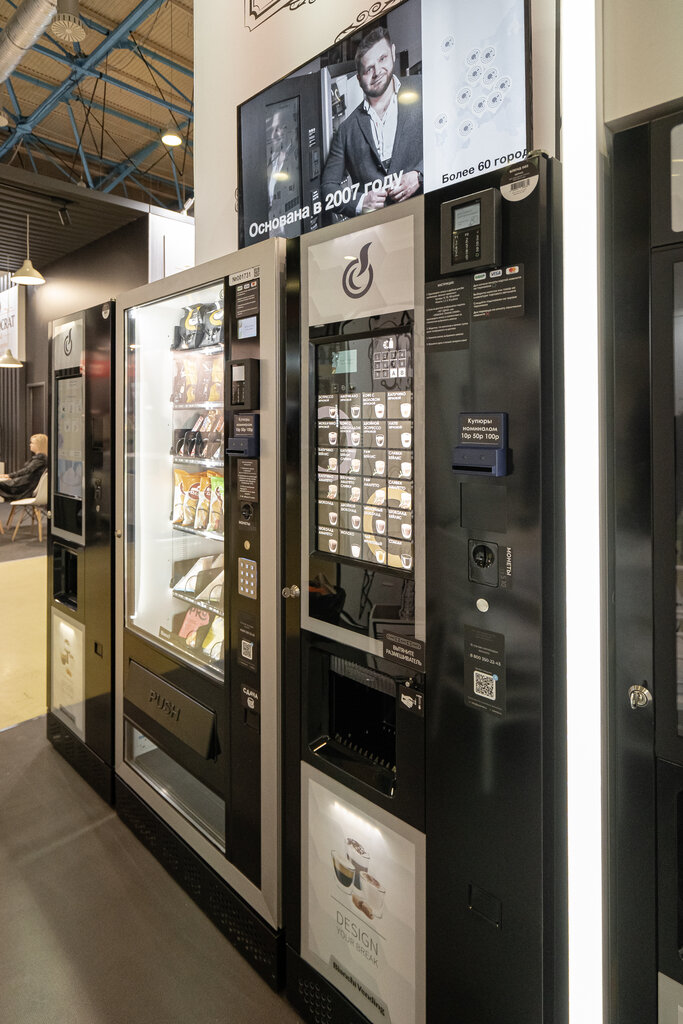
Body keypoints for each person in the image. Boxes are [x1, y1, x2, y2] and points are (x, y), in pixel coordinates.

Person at [321, 26, 423, 221]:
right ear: (359, 79)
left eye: (382, 59)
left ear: (393, 53)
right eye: (369, 69)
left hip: (428, 216)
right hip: (378, 235)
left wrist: (419, 175)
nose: (377, 72)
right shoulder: (346, 130)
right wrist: (361, 202)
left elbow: (448, 141)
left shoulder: (423, 89)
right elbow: (328, 190)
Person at [0, 433, 47, 500]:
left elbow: (27, 470)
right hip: (26, 485)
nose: (30, 445)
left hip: (25, 488)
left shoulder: (40, 459)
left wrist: (9, 476)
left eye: (32, 443)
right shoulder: (41, 459)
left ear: (39, 445)